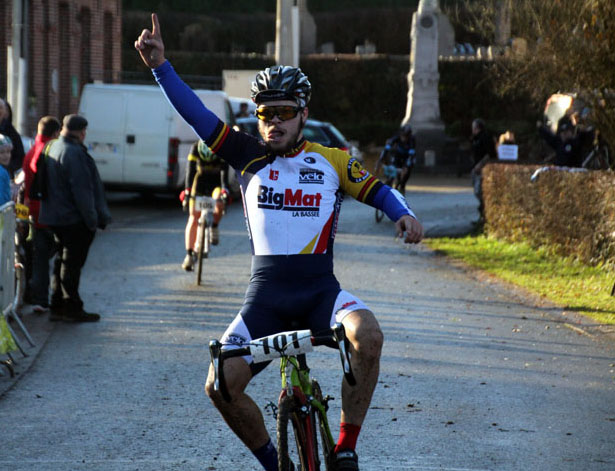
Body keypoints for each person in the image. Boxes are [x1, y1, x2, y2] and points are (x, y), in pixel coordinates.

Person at [136, 14, 423, 471]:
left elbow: (379, 190)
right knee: (218, 385)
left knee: (368, 335)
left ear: (303, 114)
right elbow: (197, 114)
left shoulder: (331, 160)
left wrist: (404, 215)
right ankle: (275, 463)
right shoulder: (245, 155)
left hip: (319, 294)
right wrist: (160, 68)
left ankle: (346, 445)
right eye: (265, 114)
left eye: (284, 113)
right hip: (265, 302)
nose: (273, 123)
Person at [39, 114, 111, 322]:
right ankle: (72, 306)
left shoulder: (53, 147)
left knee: (62, 260)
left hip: (55, 216)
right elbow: (83, 192)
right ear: (82, 132)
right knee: (71, 264)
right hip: (72, 219)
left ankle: (58, 303)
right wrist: (92, 220)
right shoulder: (74, 153)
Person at [22, 116, 62, 313]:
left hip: (34, 213)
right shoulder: (52, 152)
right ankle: (51, 298)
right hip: (50, 212)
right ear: (55, 133)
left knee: (39, 258)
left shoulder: (30, 152)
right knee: (53, 256)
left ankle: (38, 297)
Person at [181, 140, 229, 271]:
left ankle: (214, 226)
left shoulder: (221, 150)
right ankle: (189, 255)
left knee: (219, 202)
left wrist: (225, 191)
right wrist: (187, 191)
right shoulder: (195, 148)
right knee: (193, 218)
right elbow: (190, 171)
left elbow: (224, 176)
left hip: (216, 184)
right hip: (200, 183)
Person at [375, 124, 416, 194]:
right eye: (402, 136)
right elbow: (386, 149)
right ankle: (389, 182)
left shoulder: (412, 140)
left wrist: (406, 166)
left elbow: (411, 155)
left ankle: (401, 186)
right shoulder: (396, 137)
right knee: (392, 170)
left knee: (404, 176)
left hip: (407, 157)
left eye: (406, 136)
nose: (404, 138)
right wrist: (380, 161)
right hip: (398, 156)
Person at [470, 118, 497, 222]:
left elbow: (490, 154)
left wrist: (480, 165)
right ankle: (482, 215)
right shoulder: (475, 138)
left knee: (480, 192)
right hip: (475, 167)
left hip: (482, 168)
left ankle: (484, 215)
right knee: (477, 192)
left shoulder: (485, 137)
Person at [0, 98, 26, 177]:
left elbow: (20, 155)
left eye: (0, 108)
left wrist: (9, 168)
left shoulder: (10, 131)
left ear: (4, 111)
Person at [0, 134, 12, 205]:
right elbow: (2, 199)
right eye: (1, 152)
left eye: (8, 152)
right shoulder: (2, 173)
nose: (6, 155)